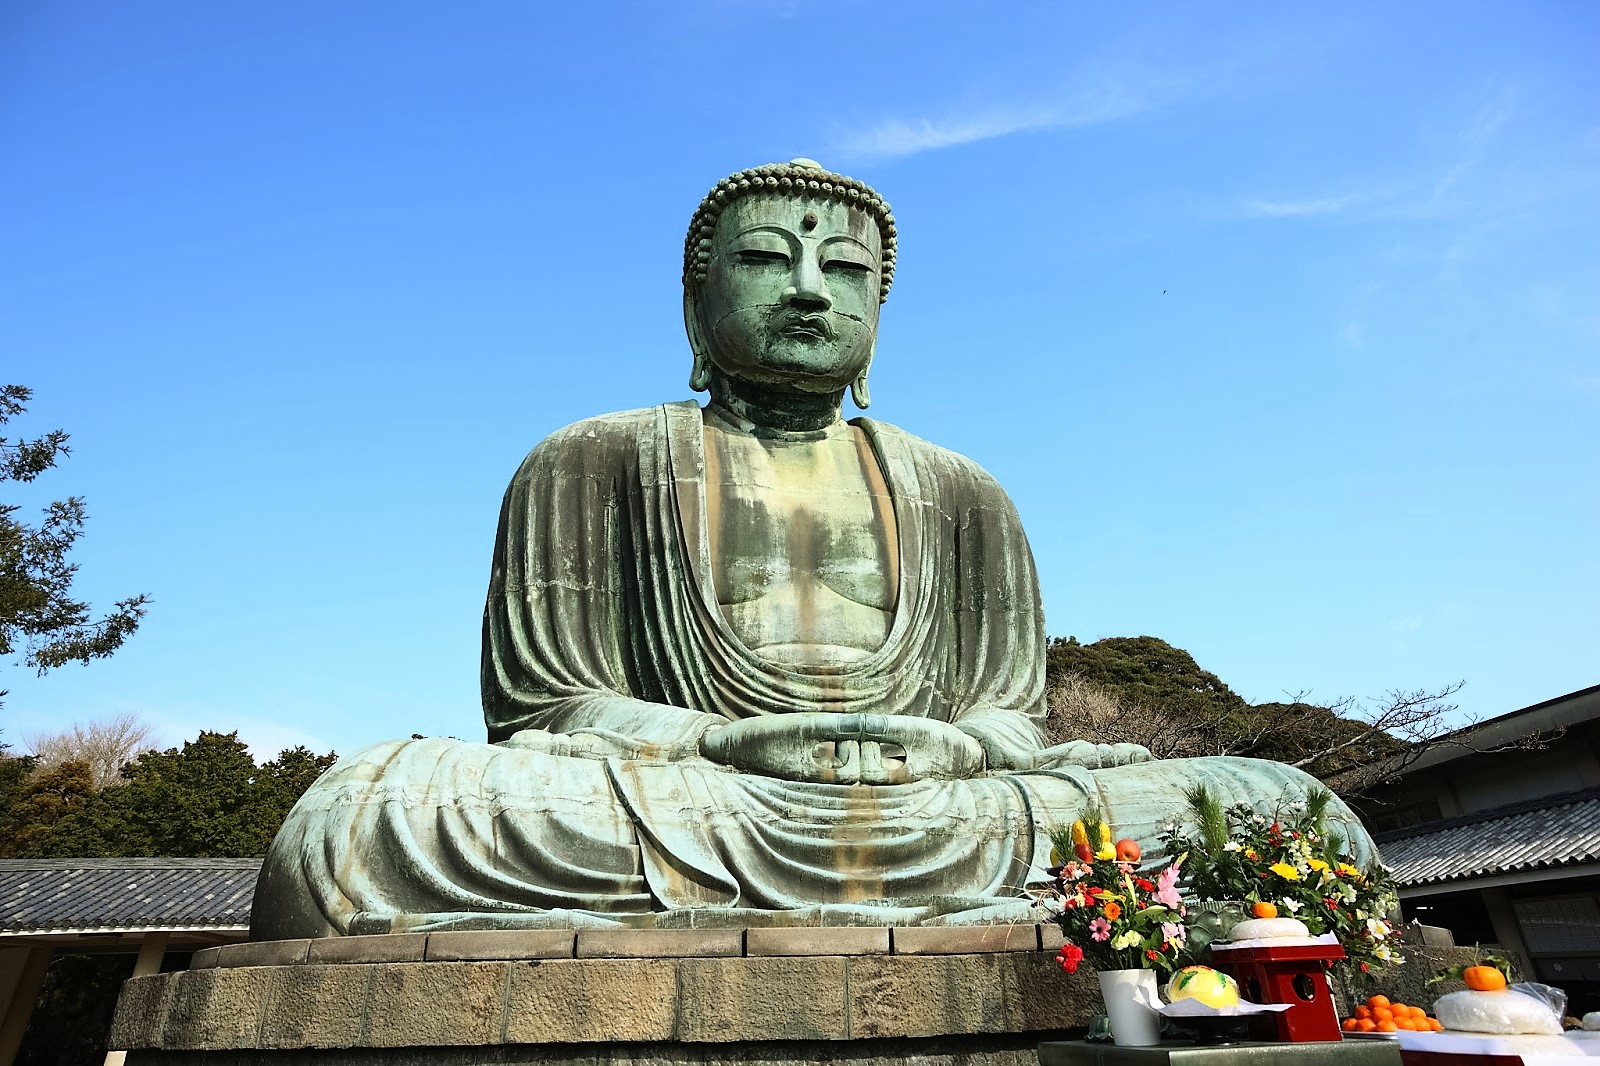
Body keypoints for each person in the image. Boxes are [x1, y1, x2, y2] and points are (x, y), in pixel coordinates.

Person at [251, 161, 1374, 939]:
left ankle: (946, 884)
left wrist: (947, 754)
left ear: (879, 308)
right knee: (363, 815)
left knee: (1291, 810)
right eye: (765, 261)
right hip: (693, 800)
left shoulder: (962, 491)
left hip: (949, 808)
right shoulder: (589, 460)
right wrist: (736, 743)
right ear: (695, 304)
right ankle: (1005, 904)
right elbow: (549, 712)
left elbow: (1009, 718)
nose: (806, 288)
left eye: (844, 271)